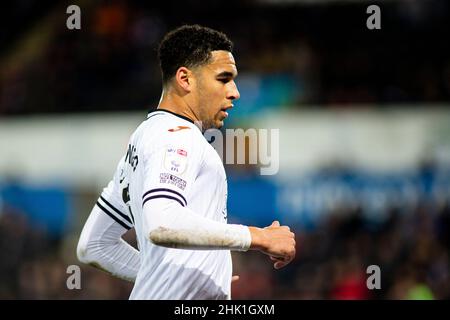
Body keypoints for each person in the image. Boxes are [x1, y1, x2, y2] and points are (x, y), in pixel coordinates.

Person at [76, 24, 296, 300]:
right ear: (185, 79)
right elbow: (162, 222)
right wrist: (257, 236)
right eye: (223, 78)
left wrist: (183, 274)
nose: (234, 92)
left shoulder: (145, 136)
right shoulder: (177, 138)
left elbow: (94, 245)